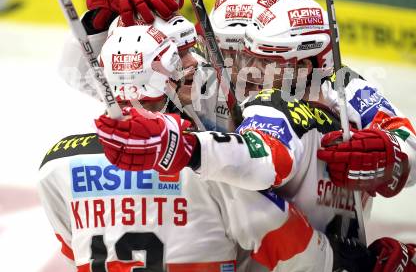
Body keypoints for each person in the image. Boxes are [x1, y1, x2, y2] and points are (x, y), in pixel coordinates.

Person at [39, 23, 376, 272]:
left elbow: (73, 251)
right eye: (181, 61)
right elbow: (302, 256)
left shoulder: (56, 164)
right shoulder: (211, 169)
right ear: (166, 77)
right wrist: (366, 262)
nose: (193, 66)